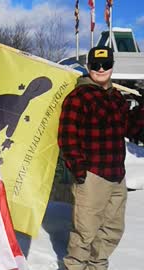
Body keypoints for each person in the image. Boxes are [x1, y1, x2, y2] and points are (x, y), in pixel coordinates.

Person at [58, 46, 144, 270]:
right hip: (93, 176)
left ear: (112, 66)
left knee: (112, 230)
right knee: (85, 233)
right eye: (96, 65)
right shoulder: (79, 96)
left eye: (106, 65)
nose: (101, 69)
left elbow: (130, 128)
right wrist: (79, 170)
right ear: (89, 67)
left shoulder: (116, 97)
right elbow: (67, 135)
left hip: (117, 176)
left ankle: (97, 267)